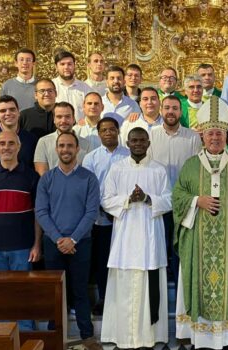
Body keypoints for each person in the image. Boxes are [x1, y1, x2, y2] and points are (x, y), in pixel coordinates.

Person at [173, 97, 228, 349]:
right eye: (210, 134)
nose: (215, 138)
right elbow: (177, 197)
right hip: (198, 241)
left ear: (226, 136)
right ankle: (202, 336)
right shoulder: (190, 165)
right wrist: (198, 200)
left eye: (219, 133)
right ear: (202, 136)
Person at [100, 128, 171, 348]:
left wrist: (149, 198)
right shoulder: (117, 169)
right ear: (127, 143)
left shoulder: (159, 170)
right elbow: (105, 199)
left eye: (142, 140)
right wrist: (128, 199)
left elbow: (169, 200)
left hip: (150, 237)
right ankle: (122, 336)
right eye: (134, 140)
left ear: (149, 143)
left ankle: (149, 337)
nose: (138, 144)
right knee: (123, 286)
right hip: (125, 238)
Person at [35, 131, 101, 350]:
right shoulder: (47, 179)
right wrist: (58, 239)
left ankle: (87, 336)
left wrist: (72, 239)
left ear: (77, 149)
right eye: (61, 146)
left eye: (70, 146)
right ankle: (55, 335)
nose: (65, 150)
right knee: (56, 292)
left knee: (80, 290)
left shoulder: (89, 178)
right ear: (56, 149)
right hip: (53, 244)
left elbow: (91, 212)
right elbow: (41, 212)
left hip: (81, 243)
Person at [0, 130, 41, 330]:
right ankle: (0, 334)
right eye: (2, 144)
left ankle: (25, 333)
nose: (6, 147)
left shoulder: (31, 176)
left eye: (11, 143)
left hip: (23, 247)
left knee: (22, 292)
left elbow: (38, 213)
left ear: (19, 147)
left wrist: (37, 244)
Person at [149, 95, 202, 280]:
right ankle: (162, 287)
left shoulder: (193, 137)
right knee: (160, 246)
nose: (170, 112)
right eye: (167, 108)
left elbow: (198, 169)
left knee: (180, 248)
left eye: (175, 108)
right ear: (161, 110)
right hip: (159, 202)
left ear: (181, 112)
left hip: (185, 202)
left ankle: (181, 293)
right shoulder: (150, 135)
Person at [81, 117, 130, 315]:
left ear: (118, 131)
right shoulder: (91, 158)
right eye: (104, 130)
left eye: (112, 129)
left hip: (126, 216)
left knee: (123, 259)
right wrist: (105, 209)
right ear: (99, 133)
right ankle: (103, 297)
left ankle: (124, 298)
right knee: (103, 260)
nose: (108, 133)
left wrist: (119, 208)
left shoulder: (128, 155)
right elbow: (90, 188)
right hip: (101, 219)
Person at [0, 95, 38, 184]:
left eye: (12, 109)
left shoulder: (31, 139)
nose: (8, 113)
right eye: (3, 111)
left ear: (18, 112)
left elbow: (33, 168)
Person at [34, 102, 91, 176]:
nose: (63, 121)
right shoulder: (43, 142)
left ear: (73, 119)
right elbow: (41, 173)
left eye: (67, 116)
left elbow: (87, 172)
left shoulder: (86, 144)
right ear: (54, 119)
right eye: (59, 117)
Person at [52, 50, 92, 121]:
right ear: (56, 67)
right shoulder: (51, 87)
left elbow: (91, 110)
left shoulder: (85, 88)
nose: (66, 67)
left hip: (80, 130)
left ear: (74, 65)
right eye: (62, 64)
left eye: (69, 64)